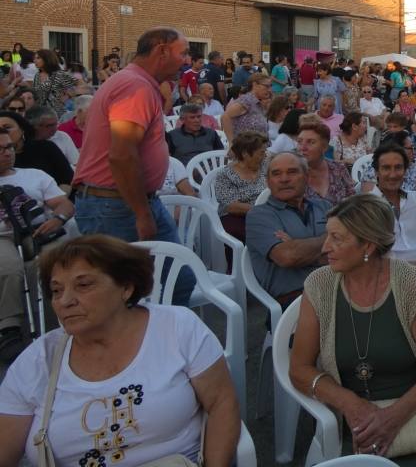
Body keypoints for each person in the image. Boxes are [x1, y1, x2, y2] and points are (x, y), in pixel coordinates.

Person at [0, 235, 240, 466]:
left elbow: (221, 403)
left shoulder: (176, 328)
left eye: (83, 285)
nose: (65, 301)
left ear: (126, 287)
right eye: (56, 291)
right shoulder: (38, 360)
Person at [289, 196, 416, 461]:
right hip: (352, 422)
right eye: (327, 236)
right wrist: (350, 404)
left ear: (367, 245)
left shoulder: (410, 284)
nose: (325, 247)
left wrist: (393, 417)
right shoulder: (319, 286)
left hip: (415, 410)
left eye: (337, 238)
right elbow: (299, 369)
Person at [71, 28, 194, 303]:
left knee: (177, 280)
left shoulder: (138, 83)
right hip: (117, 207)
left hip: (129, 203)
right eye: (183, 52)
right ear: (161, 50)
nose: (187, 60)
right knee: (121, 296)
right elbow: (122, 155)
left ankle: (162, 343)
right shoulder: (135, 87)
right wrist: (141, 213)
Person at [0, 129, 75, 361]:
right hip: (2, 236)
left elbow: (64, 204)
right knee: (10, 267)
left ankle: (57, 326)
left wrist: (57, 219)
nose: (7, 153)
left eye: (10, 147)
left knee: (49, 267)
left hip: (40, 232)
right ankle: (9, 329)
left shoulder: (34, 175)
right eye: (0, 149)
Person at [246, 151, 330, 305]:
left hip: (337, 287)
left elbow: (351, 248)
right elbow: (288, 256)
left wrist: (297, 245)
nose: (284, 179)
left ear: (306, 176)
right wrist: (331, 241)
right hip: (295, 300)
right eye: (276, 174)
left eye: (292, 172)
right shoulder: (259, 215)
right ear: (268, 181)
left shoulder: (324, 206)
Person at [213, 131, 269, 241]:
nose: (265, 155)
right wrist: (262, 210)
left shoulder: (265, 166)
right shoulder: (225, 175)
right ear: (245, 154)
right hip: (237, 217)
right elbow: (231, 206)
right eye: (261, 152)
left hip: (267, 213)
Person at [297, 121, 356, 205]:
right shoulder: (292, 174)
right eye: (299, 141)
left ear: (324, 147)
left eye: (311, 142)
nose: (303, 148)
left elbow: (353, 200)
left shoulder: (338, 168)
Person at [222, 72, 272, 142]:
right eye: (266, 86)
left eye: (270, 86)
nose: (269, 90)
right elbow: (225, 117)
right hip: (246, 149)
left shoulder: (257, 102)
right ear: (255, 85)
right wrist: (231, 142)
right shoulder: (247, 100)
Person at [31, 49, 81, 115]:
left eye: (38, 58)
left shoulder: (59, 74)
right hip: (41, 114)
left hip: (57, 114)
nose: (35, 61)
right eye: (34, 58)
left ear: (47, 59)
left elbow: (80, 84)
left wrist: (68, 95)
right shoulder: (37, 75)